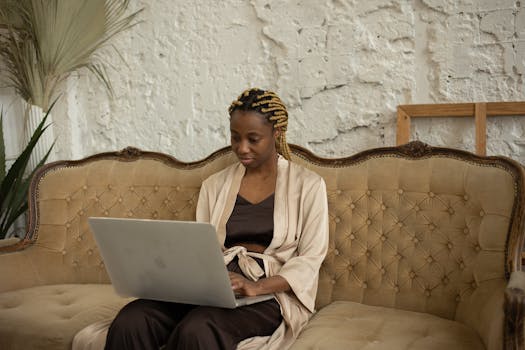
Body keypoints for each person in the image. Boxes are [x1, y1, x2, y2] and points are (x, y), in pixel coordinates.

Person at [104, 88, 329, 350]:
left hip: (269, 293)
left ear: (276, 133)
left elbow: (311, 259)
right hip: (214, 285)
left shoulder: (308, 186)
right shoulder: (215, 185)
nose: (242, 148)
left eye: (253, 139)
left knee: (199, 329)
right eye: (235, 138)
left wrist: (256, 287)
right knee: (132, 319)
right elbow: (201, 247)